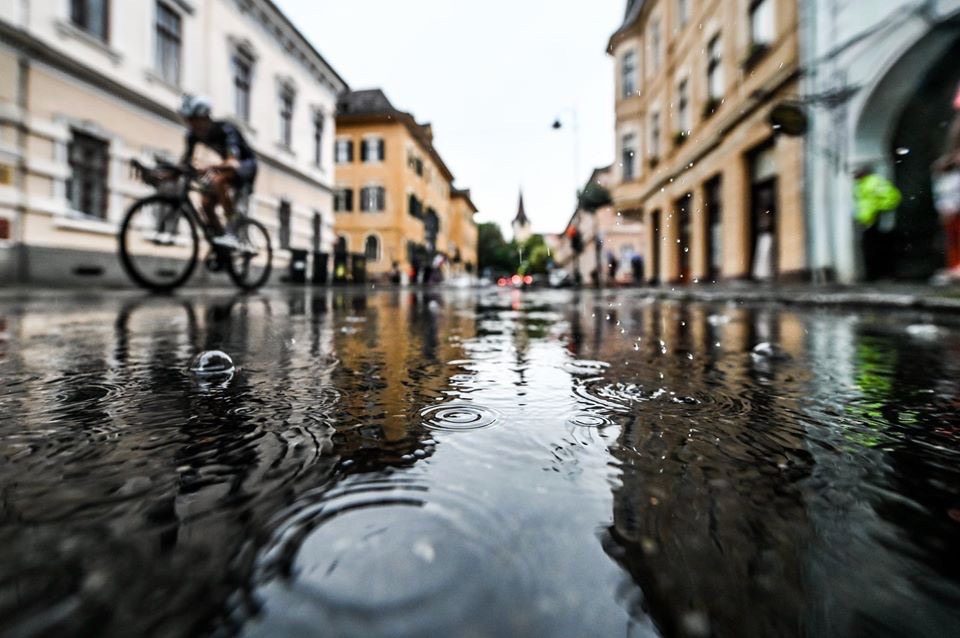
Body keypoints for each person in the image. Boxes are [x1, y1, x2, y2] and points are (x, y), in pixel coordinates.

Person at [178, 95, 258, 249]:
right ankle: (221, 239)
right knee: (206, 203)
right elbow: (184, 163)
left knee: (219, 180)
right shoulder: (193, 135)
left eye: (194, 120)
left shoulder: (226, 129)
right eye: (188, 120)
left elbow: (233, 162)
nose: (191, 125)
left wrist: (207, 167)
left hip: (246, 166)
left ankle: (232, 234)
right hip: (228, 168)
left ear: (205, 118)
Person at [853, 165, 902, 281]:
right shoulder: (862, 184)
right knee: (870, 249)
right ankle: (872, 275)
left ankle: (880, 275)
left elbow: (893, 197)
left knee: (878, 249)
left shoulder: (874, 182)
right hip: (867, 221)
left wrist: (879, 210)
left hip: (875, 220)